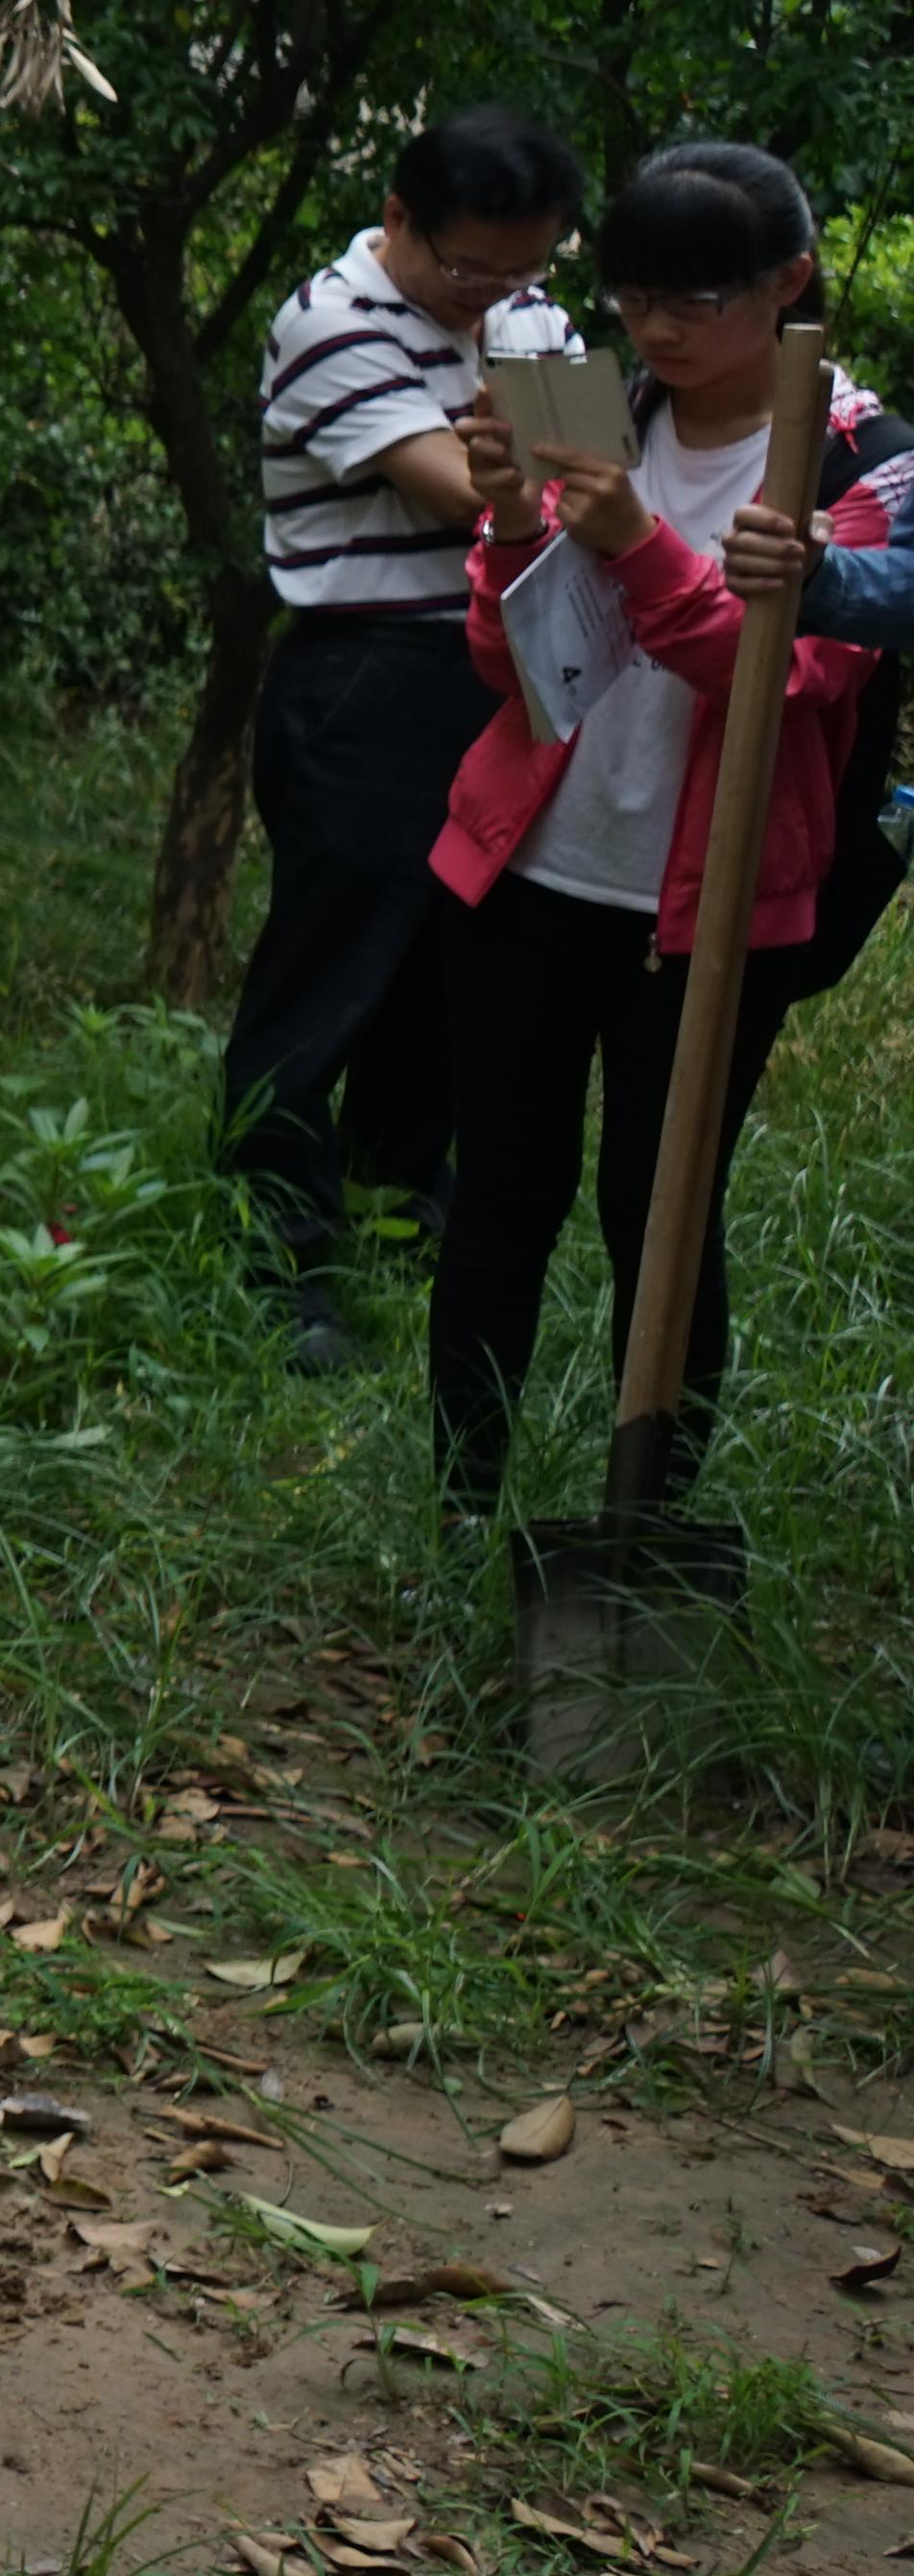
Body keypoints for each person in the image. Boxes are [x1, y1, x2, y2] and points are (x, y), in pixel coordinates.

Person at [421, 143, 890, 1523]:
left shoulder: (863, 466)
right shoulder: (604, 411)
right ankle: (460, 1508)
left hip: (706, 909)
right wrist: (518, 520)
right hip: (526, 872)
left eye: (695, 300)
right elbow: (511, 667)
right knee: (502, 1193)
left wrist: (632, 536)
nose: (660, 331)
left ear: (790, 283)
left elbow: (786, 680)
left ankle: (646, 1529)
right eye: (634, 300)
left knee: (662, 1210)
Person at [228, 107, 586, 1368]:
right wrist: (558, 474)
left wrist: (552, 474)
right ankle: (280, 1253)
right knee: (331, 971)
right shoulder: (332, 321)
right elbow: (456, 493)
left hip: (502, 669)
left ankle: (398, 1208)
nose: (498, 296)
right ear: (401, 217)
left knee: (449, 965)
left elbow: (572, 480)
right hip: (369, 679)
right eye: (473, 268)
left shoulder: (528, 313)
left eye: (527, 269)